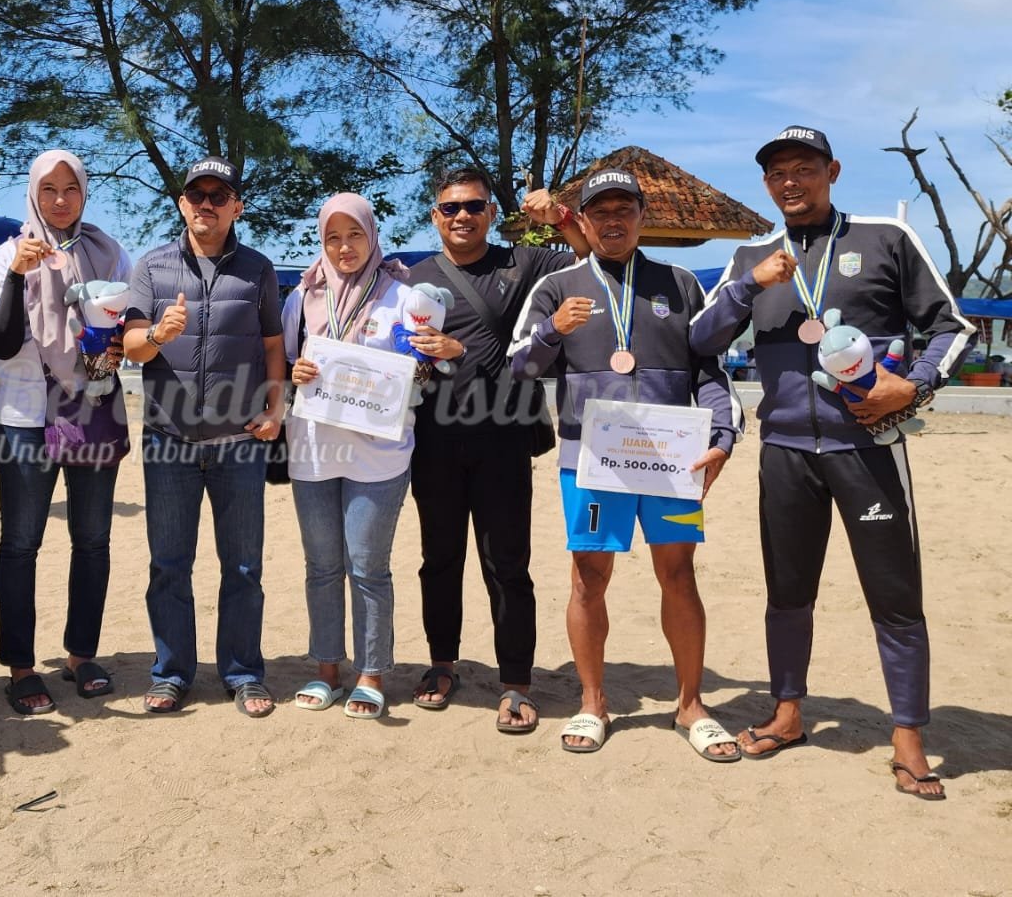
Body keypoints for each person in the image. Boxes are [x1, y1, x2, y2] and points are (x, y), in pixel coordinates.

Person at [691, 125, 976, 799]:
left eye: (804, 168)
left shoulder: (885, 239)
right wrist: (746, 286)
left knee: (896, 598)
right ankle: (788, 712)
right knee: (788, 594)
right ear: (766, 184)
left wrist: (916, 385)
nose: (791, 181)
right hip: (786, 450)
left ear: (832, 171)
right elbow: (700, 339)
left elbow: (951, 326)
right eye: (778, 173)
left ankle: (909, 738)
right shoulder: (752, 255)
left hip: (868, 449)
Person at [510, 169, 743, 758]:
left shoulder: (683, 283)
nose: (612, 220)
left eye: (625, 209)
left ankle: (690, 705)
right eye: (600, 211)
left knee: (680, 575)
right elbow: (519, 366)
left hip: (674, 462)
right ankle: (593, 704)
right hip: (589, 463)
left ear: (642, 216)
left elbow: (713, 373)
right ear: (582, 221)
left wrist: (721, 437)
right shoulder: (559, 287)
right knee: (589, 579)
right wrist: (550, 333)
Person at [403, 167, 587, 728]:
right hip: (432, 439)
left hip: (504, 438)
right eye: (450, 208)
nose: (462, 216)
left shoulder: (523, 263)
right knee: (439, 561)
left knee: (508, 564)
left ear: (490, 213)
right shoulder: (413, 278)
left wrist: (557, 217)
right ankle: (442, 664)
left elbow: (589, 261)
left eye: (474, 206)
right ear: (435, 216)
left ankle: (515, 682)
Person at [121, 155, 286, 717]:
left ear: (236, 206)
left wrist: (277, 407)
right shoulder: (151, 266)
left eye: (219, 196)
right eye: (197, 195)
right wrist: (158, 334)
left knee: (243, 566)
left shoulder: (259, 270)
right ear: (181, 204)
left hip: (239, 442)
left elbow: (271, 345)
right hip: (167, 440)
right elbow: (131, 346)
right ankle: (171, 673)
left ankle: (243, 673)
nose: (207, 205)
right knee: (169, 565)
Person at [284, 193, 455, 719]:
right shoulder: (301, 298)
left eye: (354, 235)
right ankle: (326, 669)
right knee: (320, 567)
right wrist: (295, 374)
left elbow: (430, 366)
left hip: (380, 456)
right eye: (333, 237)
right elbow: (287, 363)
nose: (344, 247)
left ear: (372, 236)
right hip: (313, 451)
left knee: (367, 567)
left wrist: (436, 356)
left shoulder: (403, 298)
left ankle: (372, 673)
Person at [0, 152, 131, 714]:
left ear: (85, 193)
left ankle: (80, 654)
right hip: (23, 418)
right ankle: (21, 666)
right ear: (32, 194)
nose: (62, 200)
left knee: (92, 539)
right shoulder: (5, 256)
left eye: (72, 188)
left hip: (92, 409)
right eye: (49, 189)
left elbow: (126, 328)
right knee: (21, 544)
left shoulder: (108, 250)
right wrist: (22, 272)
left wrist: (116, 342)